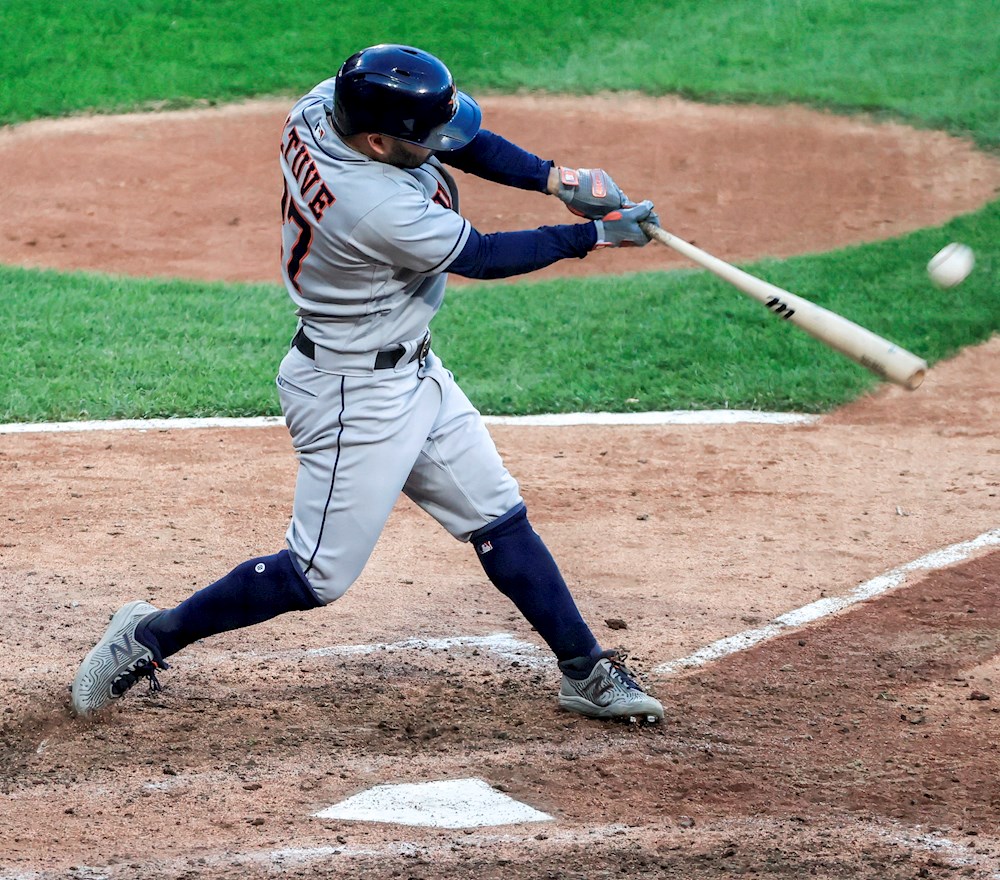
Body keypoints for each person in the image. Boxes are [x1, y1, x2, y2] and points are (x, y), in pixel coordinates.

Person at [71, 44, 663, 723]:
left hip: (409, 366)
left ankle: (584, 670)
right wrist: (594, 236)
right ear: (378, 142)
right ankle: (146, 637)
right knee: (315, 575)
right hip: (353, 392)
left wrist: (555, 177)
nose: (439, 145)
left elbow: (452, 136)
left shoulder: (327, 104)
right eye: (418, 139)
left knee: (496, 513)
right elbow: (484, 255)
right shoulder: (372, 206)